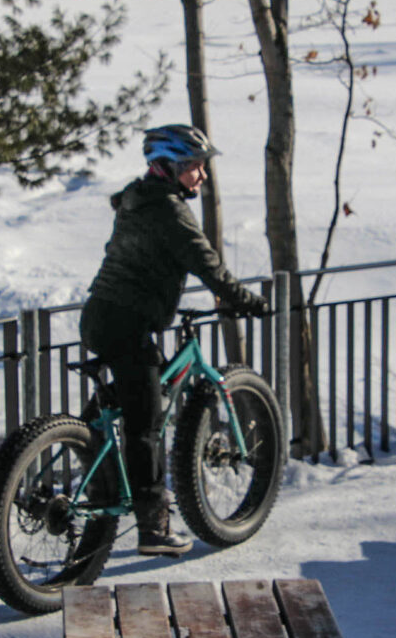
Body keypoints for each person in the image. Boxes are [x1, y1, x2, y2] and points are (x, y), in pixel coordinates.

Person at [79, 124, 269, 557]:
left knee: (130, 399)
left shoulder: (135, 198)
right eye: (195, 166)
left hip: (99, 316)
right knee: (145, 427)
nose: (202, 175)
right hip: (127, 322)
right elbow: (208, 265)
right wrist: (248, 302)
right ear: (169, 166)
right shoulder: (170, 209)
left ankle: (96, 469)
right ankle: (154, 529)